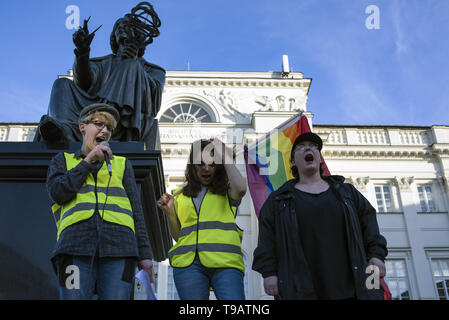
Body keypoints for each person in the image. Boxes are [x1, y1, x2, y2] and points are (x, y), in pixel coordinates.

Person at [252, 132, 388, 300]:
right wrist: (269, 273)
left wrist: (376, 255)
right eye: (301, 147)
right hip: (301, 289)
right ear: (293, 161)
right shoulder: (278, 200)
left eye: (314, 146)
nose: (308, 148)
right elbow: (267, 238)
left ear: (319, 157)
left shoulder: (346, 192)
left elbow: (369, 222)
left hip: (354, 286)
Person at [47, 103, 153, 300]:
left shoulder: (122, 165)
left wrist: (145, 255)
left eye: (109, 128)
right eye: (99, 124)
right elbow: (58, 192)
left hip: (119, 248)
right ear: (82, 127)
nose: (104, 130)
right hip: (74, 248)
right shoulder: (62, 160)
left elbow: (137, 212)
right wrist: (87, 162)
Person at [36, 3, 165, 149]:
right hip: (90, 107)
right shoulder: (102, 62)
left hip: (123, 118)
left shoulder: (153, 70)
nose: (125, 34)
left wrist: (133, 65)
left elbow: (153, 102)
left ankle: (107, 123)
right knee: (61, 84)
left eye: (130, 32)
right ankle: (64, 130)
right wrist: (83, 52)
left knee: (130, 65)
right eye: (121, 31)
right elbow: (83, 83)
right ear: (115, 37)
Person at [157, 139, 247, 300]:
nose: (206, 168)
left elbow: (241, 189)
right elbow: (179, 236)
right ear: (193, 166)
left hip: (225, 263)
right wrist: (170, 212)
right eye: (201, 164)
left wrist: (224, 155)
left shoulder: (227, 189)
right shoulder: (180, 195)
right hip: (188, 265)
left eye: (212, 164)